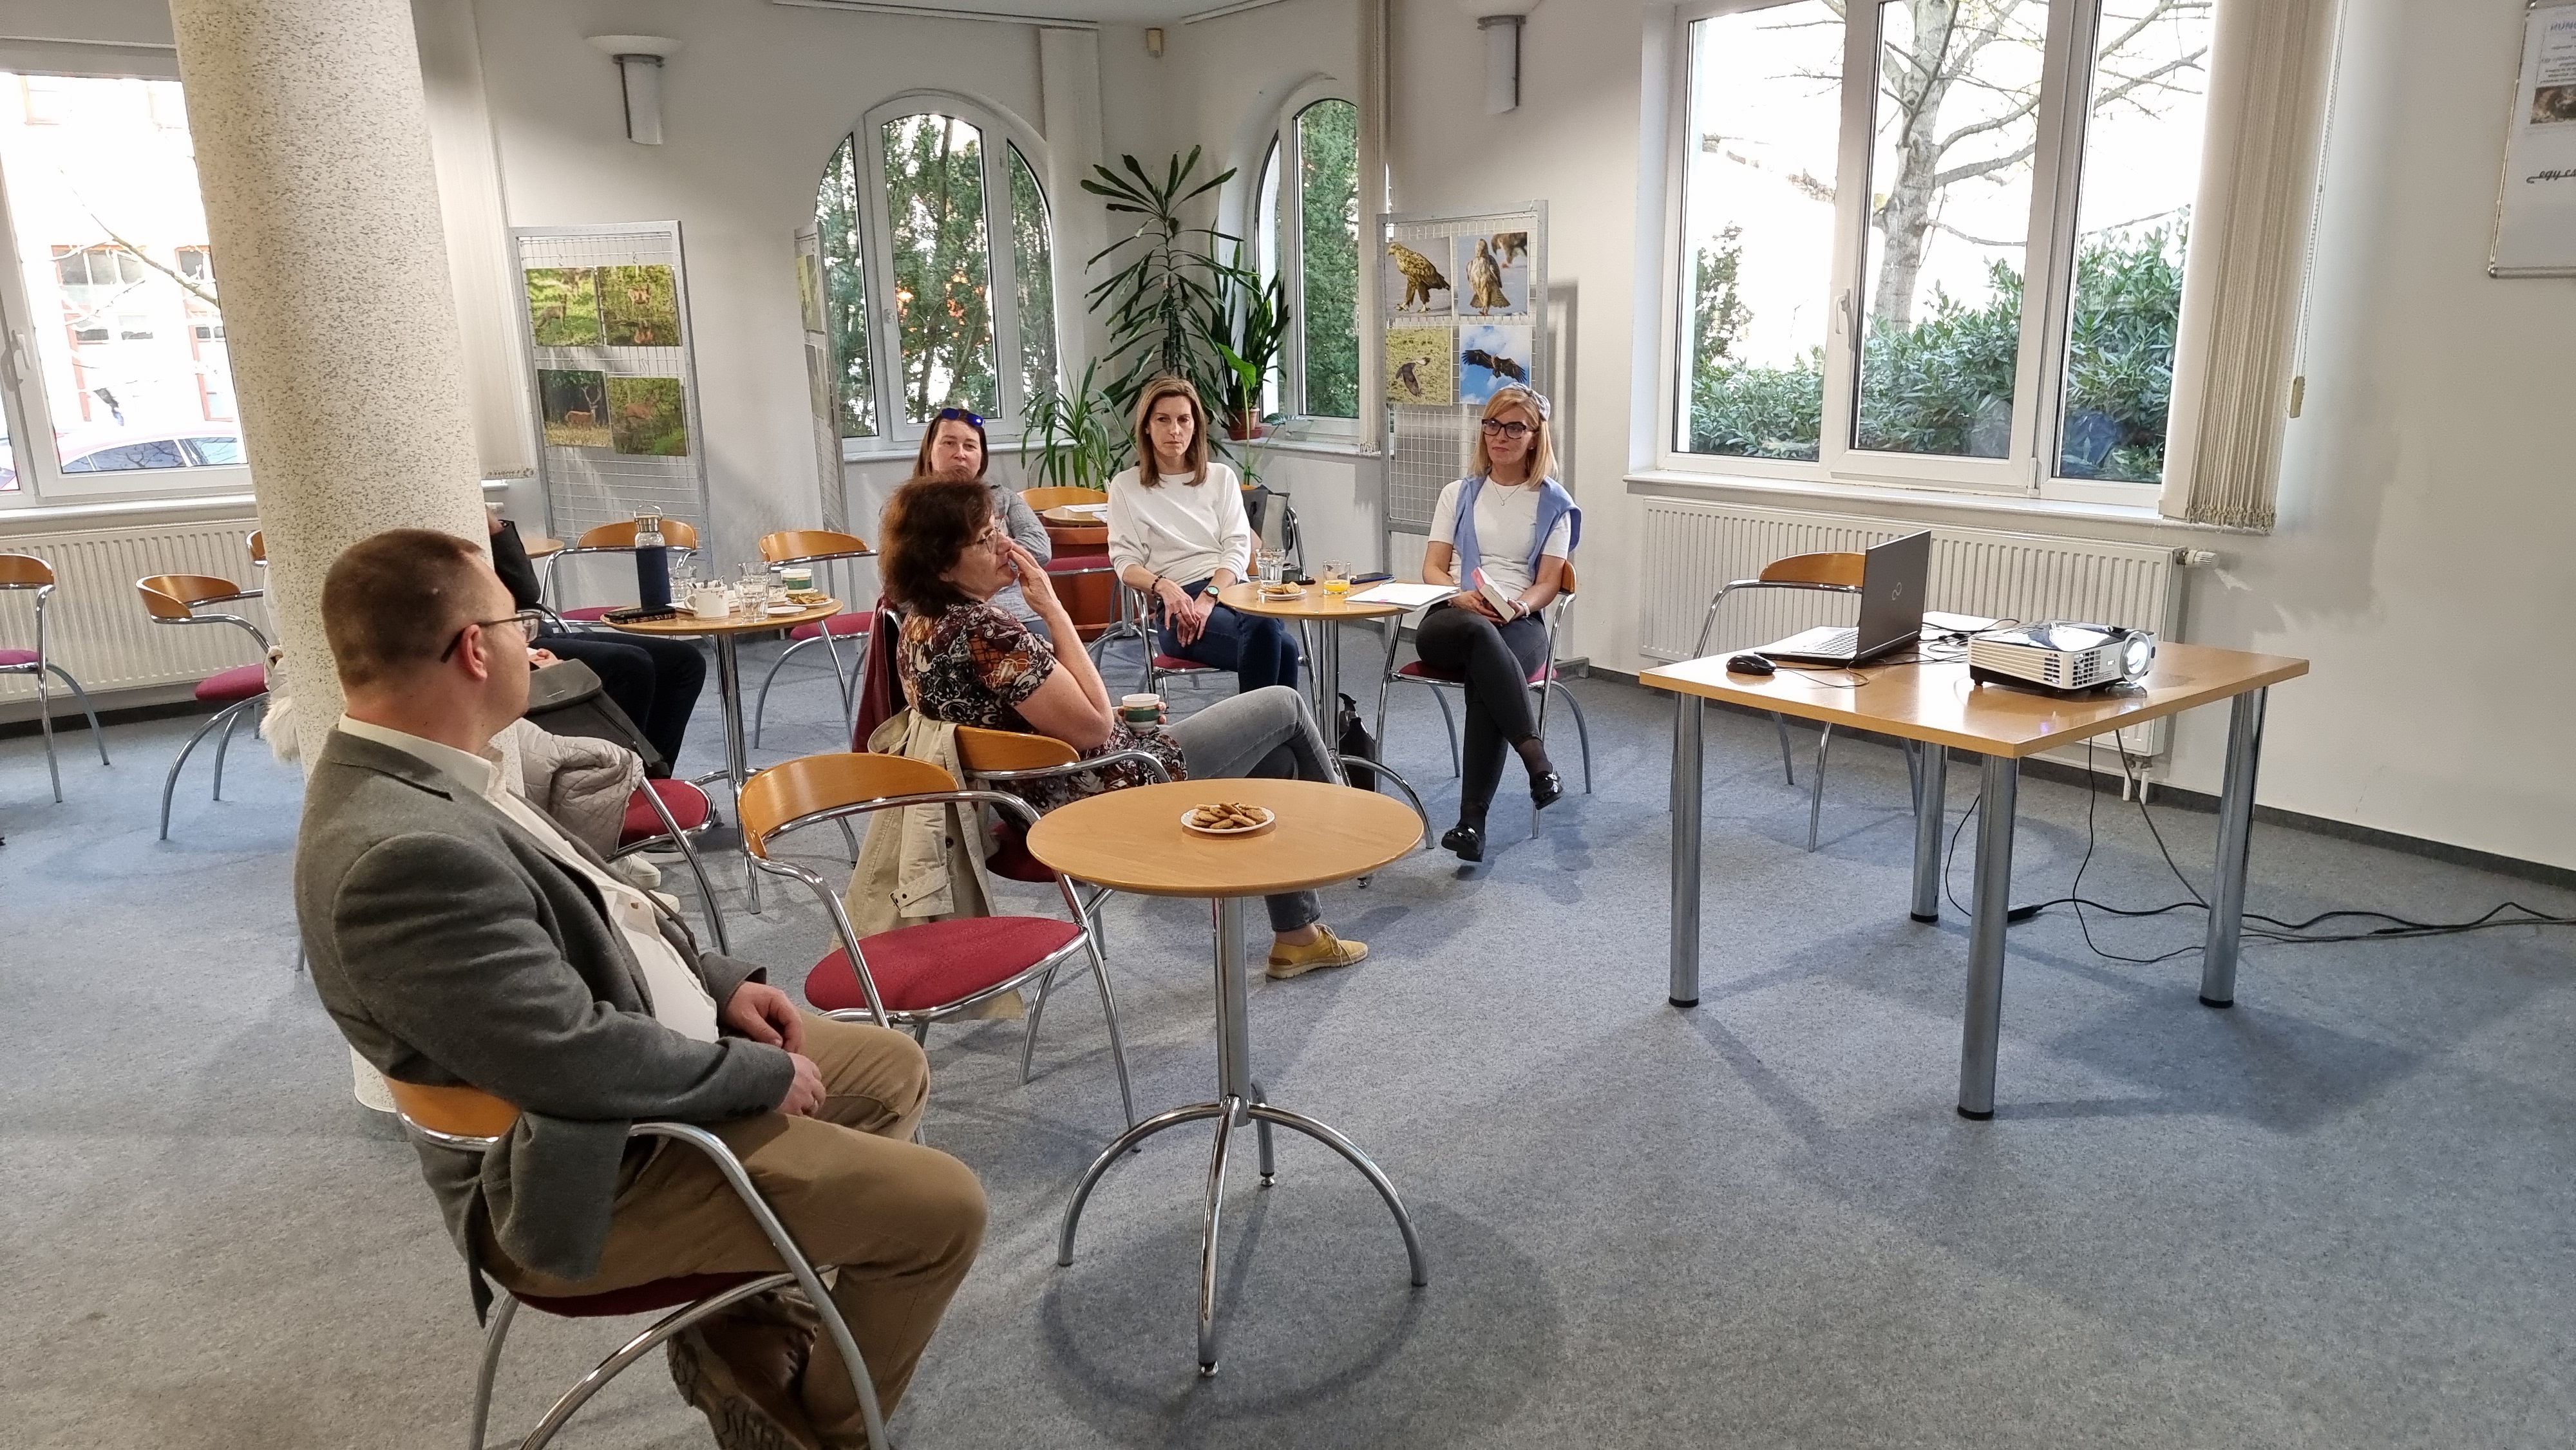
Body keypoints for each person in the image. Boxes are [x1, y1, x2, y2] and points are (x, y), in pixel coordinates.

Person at [296, 527, 985, 1450]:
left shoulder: (434, 767)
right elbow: (572, 1059)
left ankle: (743, 1323)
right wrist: (752, 1074)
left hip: (636, 1082)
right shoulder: (400, 852)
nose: (531, 640)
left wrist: (719, 986)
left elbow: (608, 912)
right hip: (583, 1171)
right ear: (473, 650)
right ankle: (817, 1430)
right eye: (517, 622)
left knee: (891, 1068)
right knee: (945, 1210)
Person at [882, 475, 1367, 978]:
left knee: (1277, 761)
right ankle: (1352, 836)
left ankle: (1298, 937)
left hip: (1037, 797)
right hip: (1111, 787)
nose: (1005, 544)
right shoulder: (989, 633)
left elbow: (1012, 719)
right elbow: (1093, 730)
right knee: (1285, 704)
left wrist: (1105, 715)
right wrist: (1054, 609)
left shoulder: (920, 628)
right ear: (942, 564)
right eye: (986, 539)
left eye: (998, 528)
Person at [1416, 384, 1579, 863]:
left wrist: (1521, 607)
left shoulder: (1555, 503)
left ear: (1535, 437)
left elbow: (1549, 582)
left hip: (1519, 620)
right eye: (1492, 424)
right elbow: (1432, 569)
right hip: (1455, 615)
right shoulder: (1458, 494)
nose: (1500, 436)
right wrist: (1459, 595)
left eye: (1513, 428)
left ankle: (1471, 826)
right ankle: (1537, 761)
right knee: (1478, 635)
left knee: (1487, 667)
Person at [1106, 377, 1300, 695]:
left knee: (1268, 630)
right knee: (1284, 646)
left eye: (1184, 420)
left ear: (1195, 426)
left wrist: (1209, 596)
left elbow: (1237, 547)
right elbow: (1125, 562)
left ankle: (1263, 727)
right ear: (1146, 427)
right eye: (1163, 420)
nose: (1175, 430)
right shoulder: (1126, 486)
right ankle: (1275, 727)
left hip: (1229, 589)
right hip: (1177, 605)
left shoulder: (1220, 477)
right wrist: (1165, 587)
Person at [488, 511, 705, 775]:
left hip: (532, 632)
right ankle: (621, 778)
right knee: (631, 665)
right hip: (510, 643)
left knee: (685, 661)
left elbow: (527, 593)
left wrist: (496, 528)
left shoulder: (479, 526)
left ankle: (654, 778)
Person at [905, 404, 1050, 630]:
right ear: (929, 452)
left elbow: (1041, 548)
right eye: (949, 443)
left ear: (982, 458)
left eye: (970, 446)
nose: (960, 454)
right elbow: (908, 573)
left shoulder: (1003, 497)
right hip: (943, 617)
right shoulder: (909, 506)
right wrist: (995, 564)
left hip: (1019, 613)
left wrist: (982, 556)